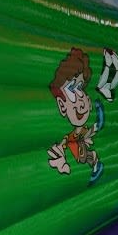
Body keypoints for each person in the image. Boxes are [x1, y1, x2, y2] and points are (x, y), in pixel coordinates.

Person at [47, 48, 104, 183]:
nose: (81, 100)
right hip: (75, 143)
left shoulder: (80, 131)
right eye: (72, 90)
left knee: (83, 150)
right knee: (81, 153)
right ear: (61, 105)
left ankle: (94, 161)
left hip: (79, 140)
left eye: (81, 88)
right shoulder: (69, 137)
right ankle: (93, 159)